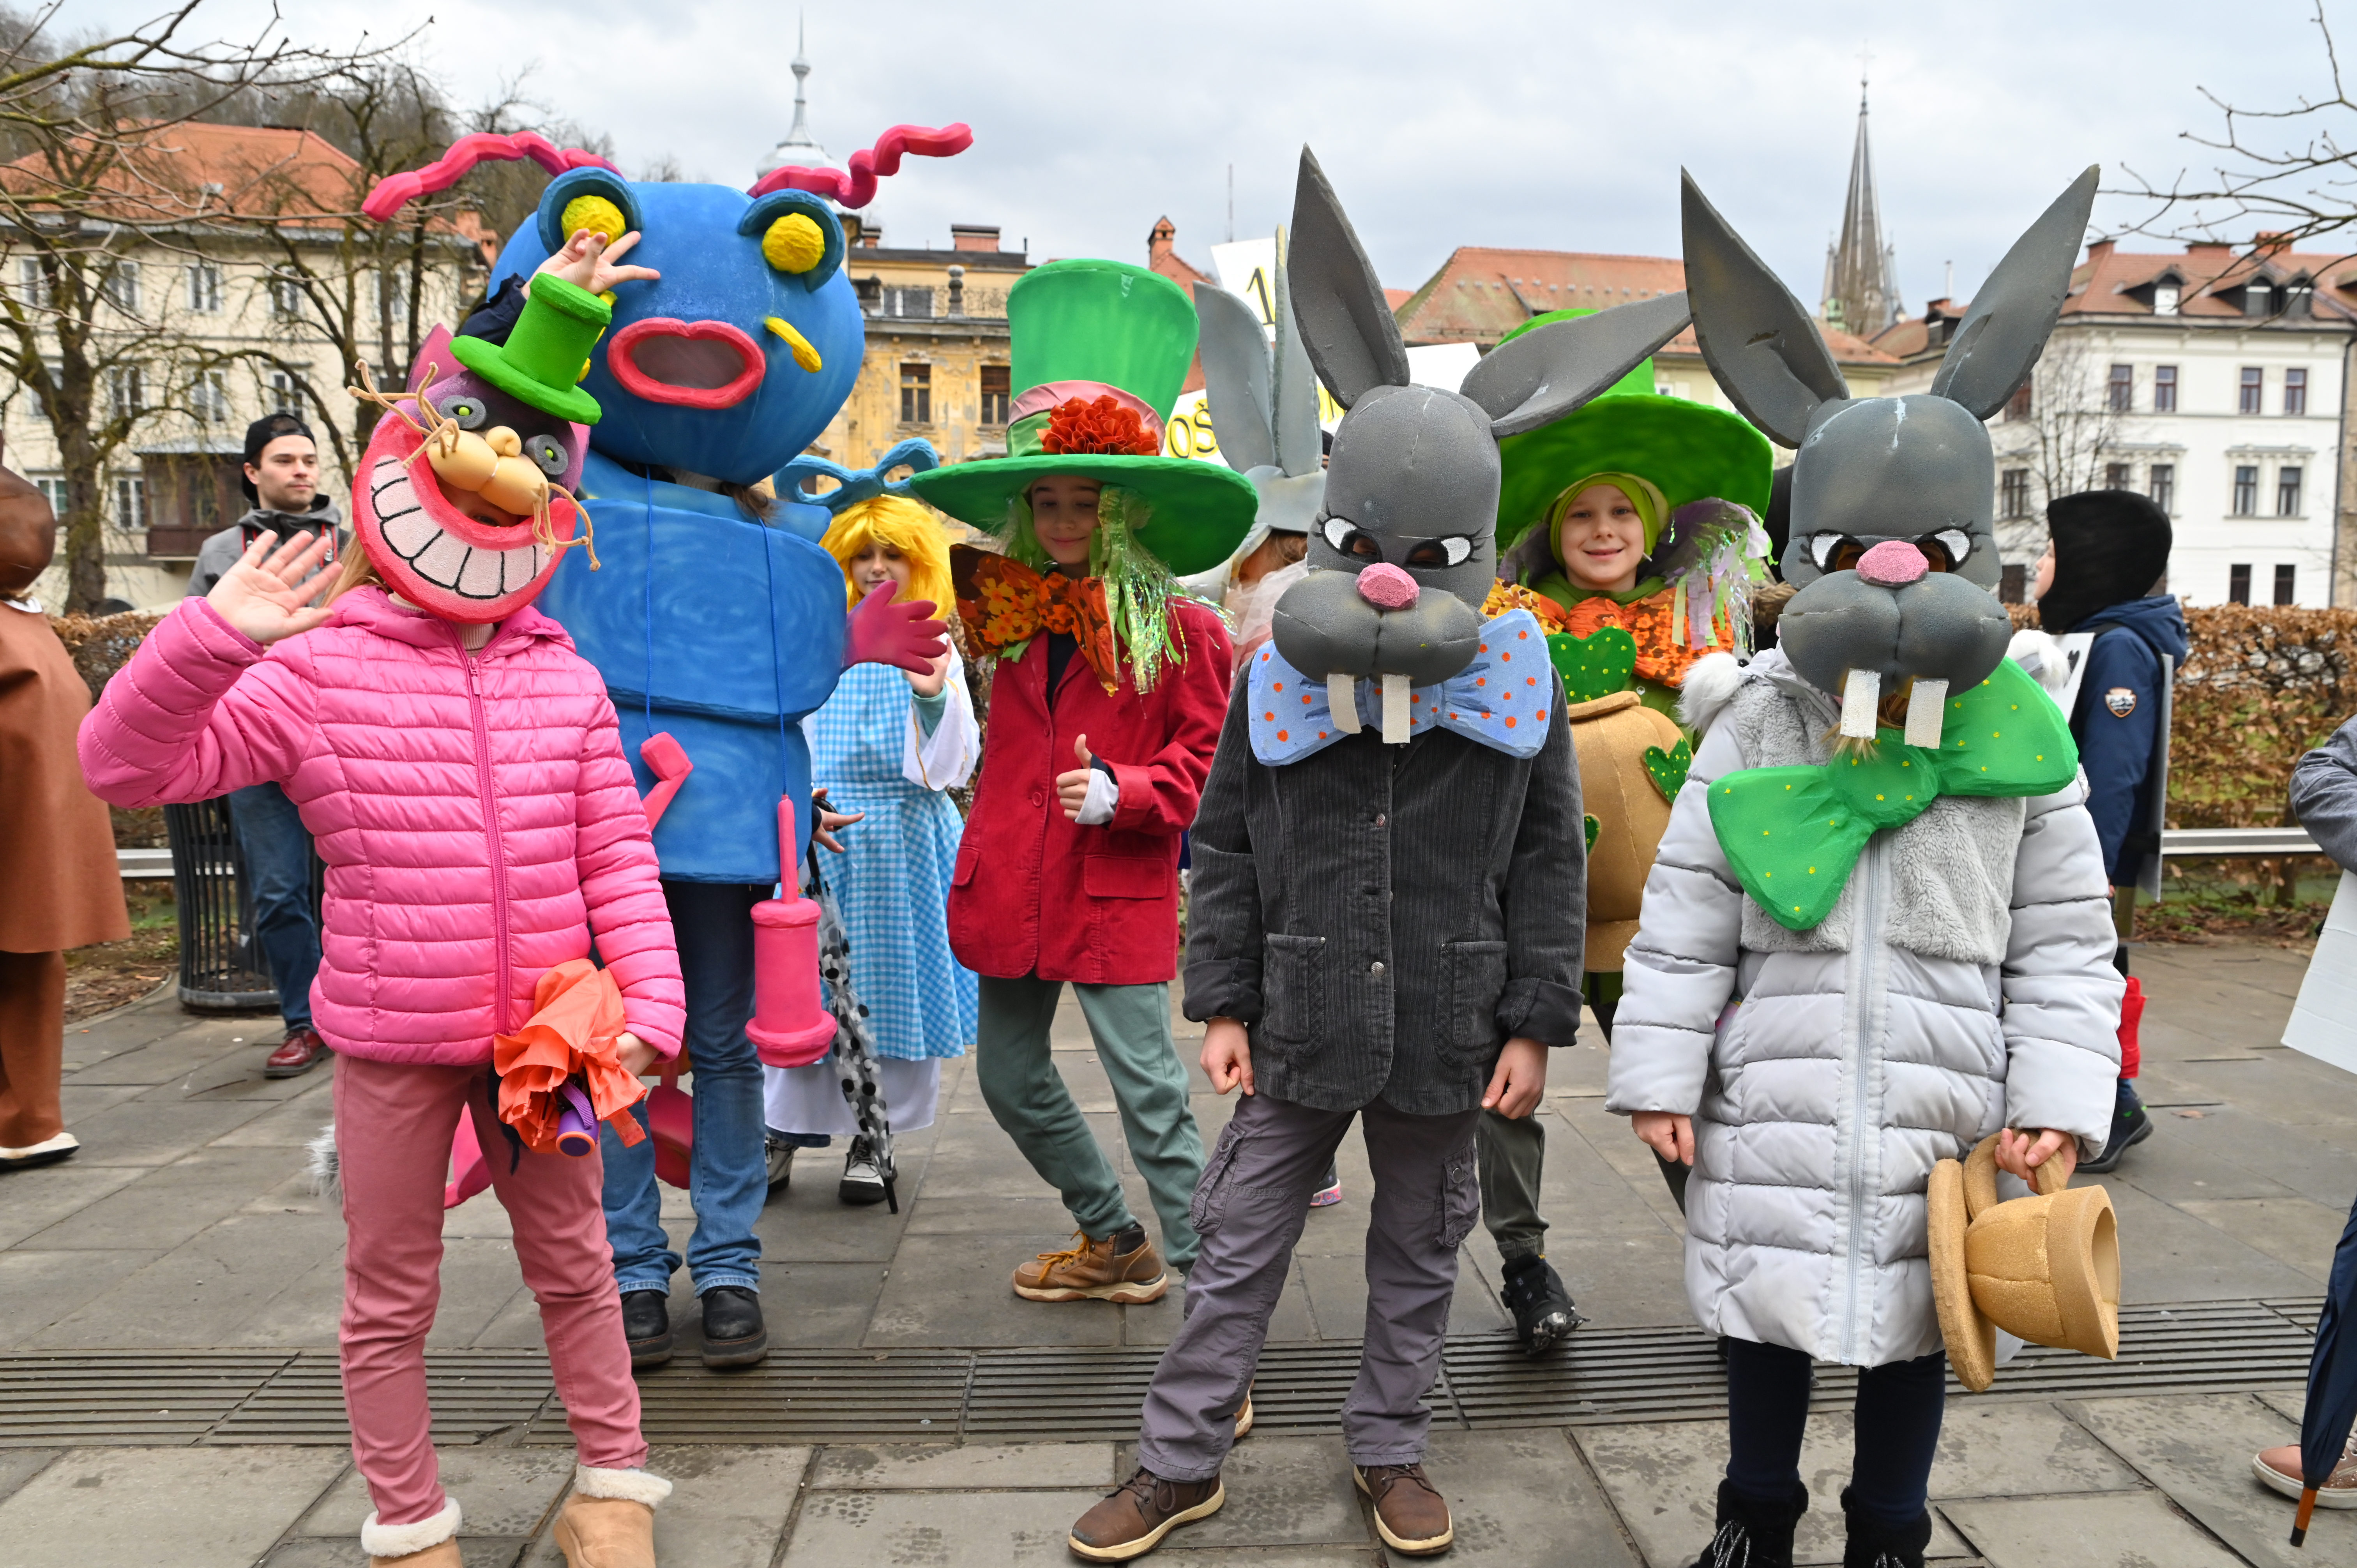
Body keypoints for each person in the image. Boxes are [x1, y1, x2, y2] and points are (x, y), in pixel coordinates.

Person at [80, 239, 688, 1568]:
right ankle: (408, 1520)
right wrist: (207, 638)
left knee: (579, 1264)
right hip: (393, 1041)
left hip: (550, 1043)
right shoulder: (317, 671)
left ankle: (613, 1485)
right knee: (389, 1292)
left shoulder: (564, 678)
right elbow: (124, 768)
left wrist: (651, 1005)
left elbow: (616, 861)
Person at [1610, 164, 2120, 1568]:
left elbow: (2065, 939)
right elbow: (1685, 911)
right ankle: (1753, 1515)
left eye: (1929, 551)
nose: (1890, 581)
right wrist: (1659, 1071)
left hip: (1946, 1092)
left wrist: (2055, 1099)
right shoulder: (1760, 717)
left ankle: (1890, 1529)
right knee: (1761, 1311)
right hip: (1774, 1076)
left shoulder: (2021, 737)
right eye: (1846, 551)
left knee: (1925, 1312)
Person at [907, 257, 1254, 1305]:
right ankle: (1112, 1236)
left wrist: (1127, 792)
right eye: (1046, 499)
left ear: (1124, 508)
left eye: (1084, 500)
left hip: (1113, 882)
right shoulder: (1004, 617)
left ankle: (1213, 1307)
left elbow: (1207, 770)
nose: (1062, 520)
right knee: (1009, 1078)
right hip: (1013, 881)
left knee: (1150, 1093)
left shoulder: (1187, 630)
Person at [1479, 362, 1773, 1352]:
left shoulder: (1706, 628)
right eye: (1581, 514)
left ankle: (1738, 1277)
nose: (1602, 531)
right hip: (1531, 911)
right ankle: (1525, 1264)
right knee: (1502, 1092)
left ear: (1652, 528)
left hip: (1665, 922)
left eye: (1621, 513)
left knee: (1693, 1095)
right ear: (1552, 529)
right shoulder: (1506, 625)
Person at [762, 490, 979, 1203]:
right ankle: (780, 1129)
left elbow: (951, 768)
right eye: (864, 554)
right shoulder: (813, 637)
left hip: (905, 843)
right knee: (798, 991)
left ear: (919, 563)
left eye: (893, 554)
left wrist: (931, 697)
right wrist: (799, 800)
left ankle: (873, 1133)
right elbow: (784, 734)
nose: (877, 567)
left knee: (892, 992)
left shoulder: (934, 644)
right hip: (817, 839)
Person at [2029, 489, 2184, 1174]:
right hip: (2081, 851)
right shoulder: (2093, 636)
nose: (2040, 565)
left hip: (2097, 856)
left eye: (2051, 552)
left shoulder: (2120, 647)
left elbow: (2114, 770)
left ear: (2091, 561)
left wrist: (2090, 868)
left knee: (2096, 974)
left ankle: (2117, 1107)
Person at [187, 412, 344, 1079]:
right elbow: (194, 650)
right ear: (252, 471)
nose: (301, 470)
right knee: (279, 894)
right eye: (284, 460)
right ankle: (306, 1024)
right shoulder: (220, 555)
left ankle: (361, 1016)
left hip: (346, 742)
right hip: (257, 749)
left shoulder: (358, 544)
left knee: (365, 886)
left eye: (308, 459)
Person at [0, 463, 129, 1168]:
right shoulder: (31, 628)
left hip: (17, 834)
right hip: (35, 841)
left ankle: (24, 1121)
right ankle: (29, 1120)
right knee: (30, 970)